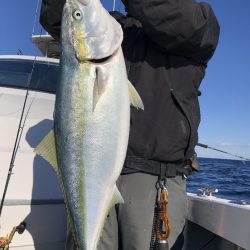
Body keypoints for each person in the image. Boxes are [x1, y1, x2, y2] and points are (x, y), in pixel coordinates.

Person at [40, 0, 220, 249]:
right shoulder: (116, 27)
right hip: (94, 169)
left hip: (154, 181)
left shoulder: (200, 21)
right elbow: (60, 19)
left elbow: (162, 14)